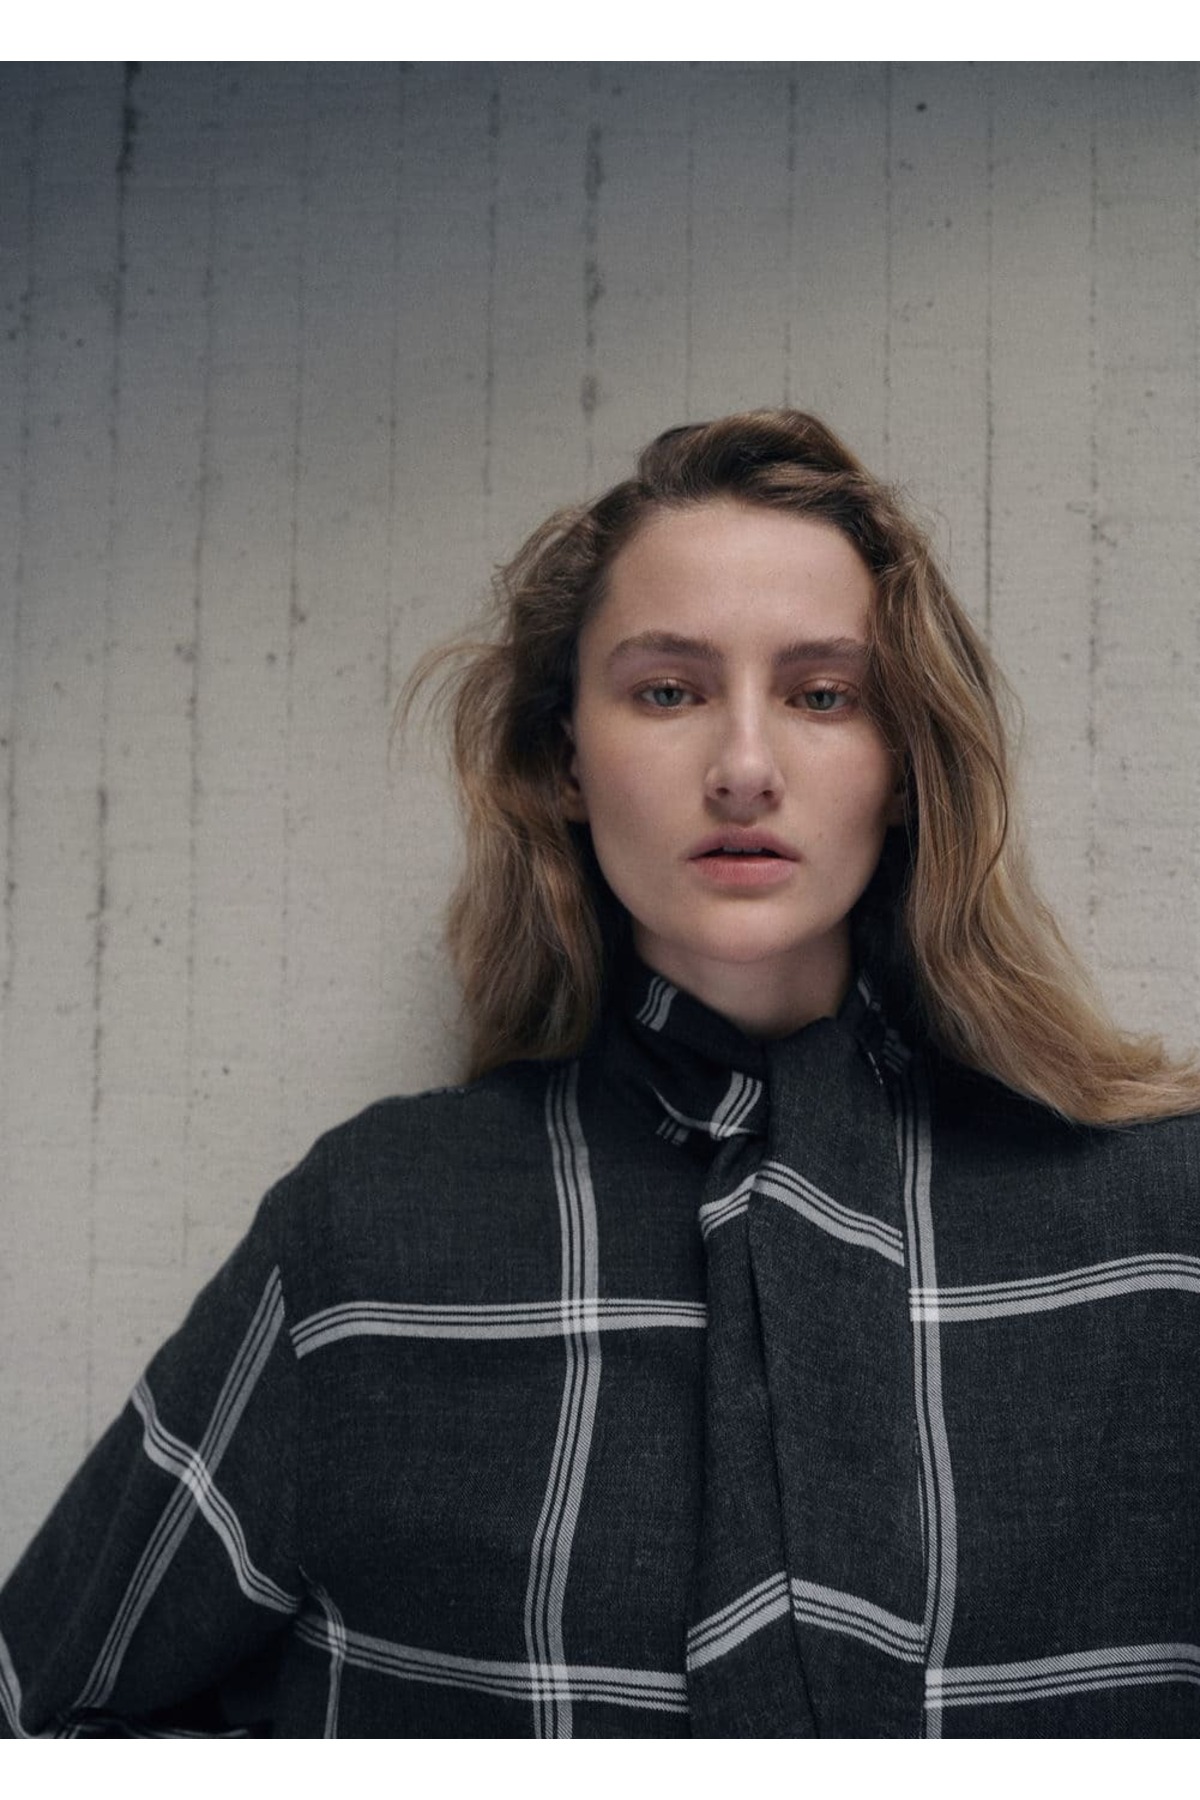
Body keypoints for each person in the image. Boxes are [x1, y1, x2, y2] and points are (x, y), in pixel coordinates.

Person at [2, 409, 1199, 1739]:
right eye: (668, 692)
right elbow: (37, 1720)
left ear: (907, 764)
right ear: (566, 758)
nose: (745, 771)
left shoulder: (1162, 1228)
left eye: (822, 696)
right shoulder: (374, 1232)